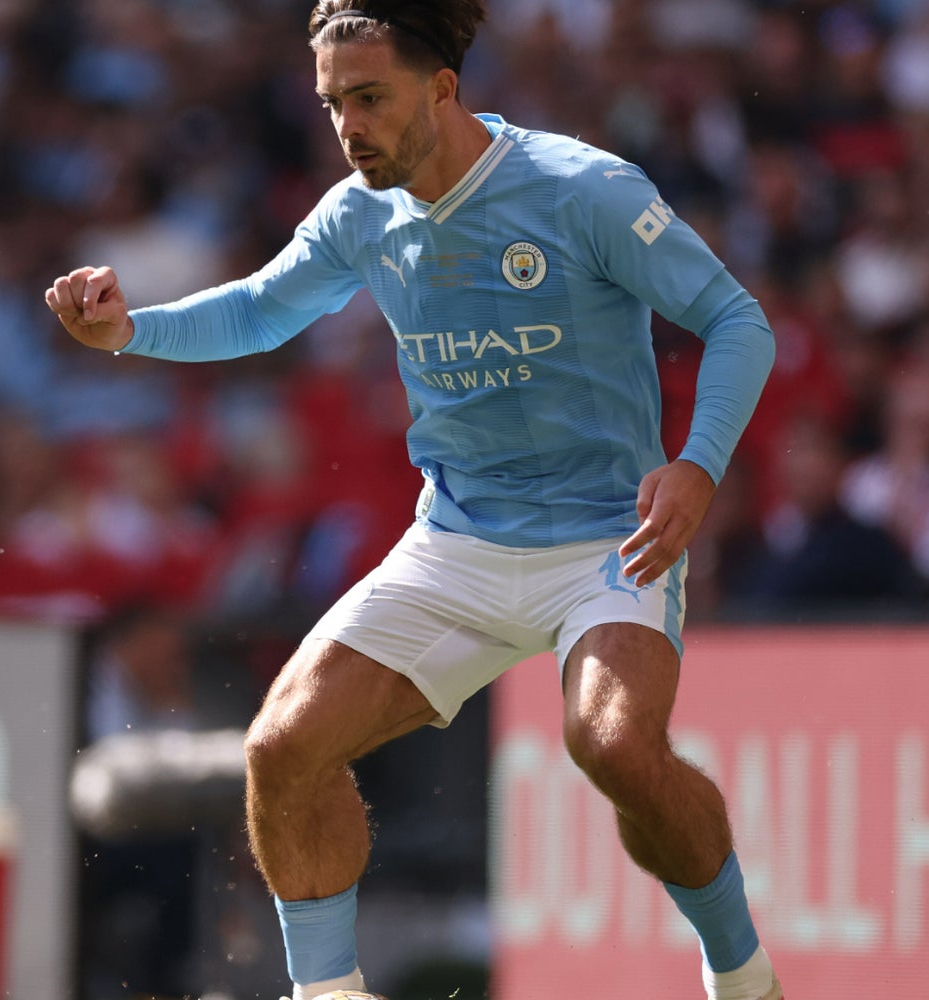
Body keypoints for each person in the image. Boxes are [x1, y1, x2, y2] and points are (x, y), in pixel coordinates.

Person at [43, 3, 780, 999]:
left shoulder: (579, 189)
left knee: (610, 744)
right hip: (455, 544)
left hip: (606, 540)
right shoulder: (360, 211)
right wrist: (128, 330)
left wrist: (695, 465)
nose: (348, 126)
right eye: (332, 103)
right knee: (279, 749)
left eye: (369, 98)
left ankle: (740, 974)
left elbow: (733, 318)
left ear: (440, 88)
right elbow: (262, 306)